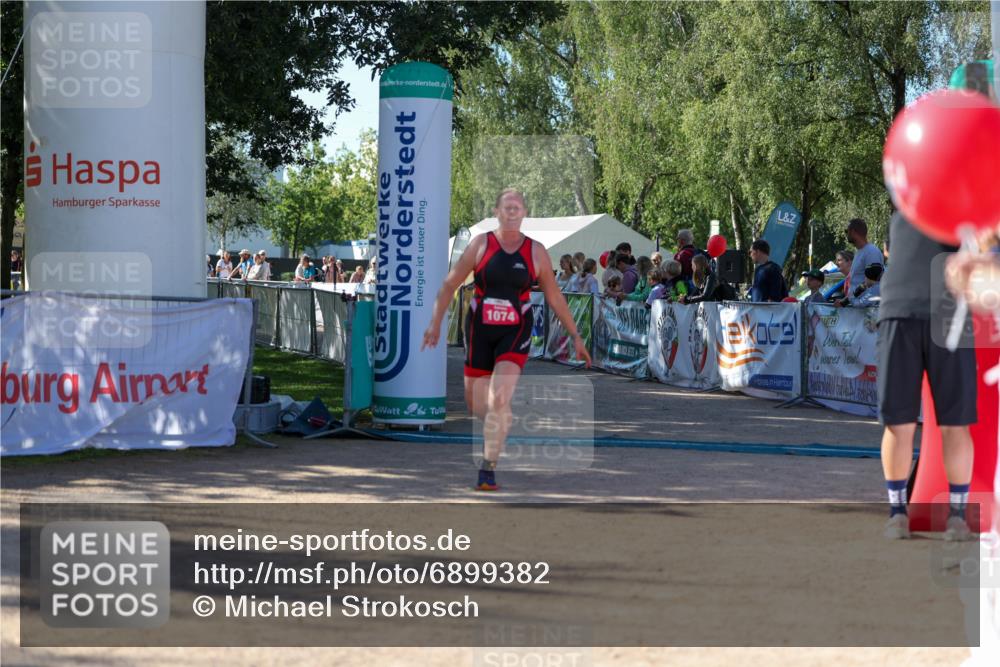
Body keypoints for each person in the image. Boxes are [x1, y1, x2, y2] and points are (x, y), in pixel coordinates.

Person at [422, 188, 591, 492]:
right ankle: (500, 419)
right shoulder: (481, 244)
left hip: (515, 328)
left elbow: (555, 297)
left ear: (524, 213)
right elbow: (449, 284)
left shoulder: (536, 252)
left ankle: (488, 467)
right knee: (476, 405)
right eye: (507, 208)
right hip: (479, 329)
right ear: (497, 213)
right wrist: (435, 323)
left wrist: (576, 336)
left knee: (499, 398)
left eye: (517, 208)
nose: (512, 212)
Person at [878, 212, 975, 541]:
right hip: (898, 309)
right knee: (898, 421)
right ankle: (897, 513)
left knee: (955, 422)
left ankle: (958, 516)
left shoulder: (967, 206)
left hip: (950, 311)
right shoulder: (904, 204)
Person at [844, 218, 883, 299]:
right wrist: (844, 302)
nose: (846, 234)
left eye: (846, 231)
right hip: (858, 306)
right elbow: (857, 285)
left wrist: (861, 303)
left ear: (853, 232)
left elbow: (874, 286)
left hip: (867, 307)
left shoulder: (871, 252)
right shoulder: (859, 252)